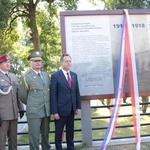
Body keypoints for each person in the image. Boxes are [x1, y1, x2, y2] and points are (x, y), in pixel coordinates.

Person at [18, 51, 51, 150]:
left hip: (46, 111)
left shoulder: (45, 75)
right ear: (30, 62)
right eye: (35, 61)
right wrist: (32, 104)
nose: (38, 63)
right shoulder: (26, 77)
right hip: (34, 112)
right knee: (34, 138)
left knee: (46, 136)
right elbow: (22, 96)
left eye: (39, 61)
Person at [50, 54, 81, 150]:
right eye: (66, 61)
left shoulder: (74, 75)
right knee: (59, 134)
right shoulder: (55, 76)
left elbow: (76, 92)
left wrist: (78, 107)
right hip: (60, 111)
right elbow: (53, 95)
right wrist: (54, 111)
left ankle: (70, 148)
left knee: (70, 133)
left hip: (71, 110)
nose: (69, 63)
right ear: (61, 62)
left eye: (70, 61)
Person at [0, 54, 24, 150]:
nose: (8, 64)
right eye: (5, 62)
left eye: (9, 62)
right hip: (3, 114)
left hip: (14, 113)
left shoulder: (13, 76)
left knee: (13, 139)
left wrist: (21, 108)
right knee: (1, 140)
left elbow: (17, 93)